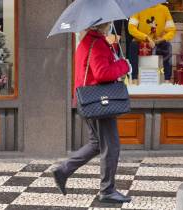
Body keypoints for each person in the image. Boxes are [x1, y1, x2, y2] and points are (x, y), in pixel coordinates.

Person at [52, 22, 131, 204]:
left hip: (89, 101)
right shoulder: (96, 44)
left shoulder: (88, 41)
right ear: (102, 24)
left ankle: (63, 170)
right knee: (111, 146)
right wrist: (123, 66)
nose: (110, 26)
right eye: (108, 23)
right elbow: (102, 73)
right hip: (100, 102)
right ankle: (107, 190)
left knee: (97, 143)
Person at [128, 4, 176, 84]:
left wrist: (162, 39)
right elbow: (131, 28)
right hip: (141, 41)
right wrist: (146, 37)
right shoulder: (137, 8)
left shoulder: (164, 9)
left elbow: (172, 30)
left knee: (168, 47)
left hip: (158, 42)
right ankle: (134, 80)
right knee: (133, 45)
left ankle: (167, 80)